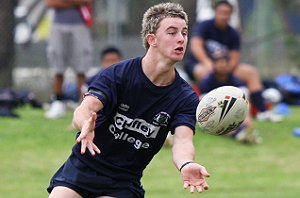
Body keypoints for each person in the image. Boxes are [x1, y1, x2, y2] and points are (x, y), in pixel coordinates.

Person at [47, 3, 210, 198]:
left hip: (123, 182)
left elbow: (183, 140)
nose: (181, 39)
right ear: (152, 39)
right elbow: (86, 108)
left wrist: (186, 163)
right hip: (83, 168)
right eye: (172, 32)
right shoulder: (119, 74)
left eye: (184, 32)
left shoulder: (185, 97)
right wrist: (85, 125)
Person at [185, 0, 282, 122]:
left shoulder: (233, 33)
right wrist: (208, 63)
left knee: (251, 72)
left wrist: (225, 69)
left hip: (224, 67)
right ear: (216, 12)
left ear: (231, 14)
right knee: (205, 71)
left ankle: (263, 111)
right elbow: (195, 46)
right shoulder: (204, 26)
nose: (224, 16)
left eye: (227, 13)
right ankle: (207, 115)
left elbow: (234, 57)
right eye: (221, 12)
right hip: (200, 64)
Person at [199, 41, 262, 144]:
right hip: (211, 113)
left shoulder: (234, 79)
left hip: (230, 110)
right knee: (219, 123)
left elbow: (244, 97)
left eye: (224, 62)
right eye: (219, 62)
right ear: (214, 64)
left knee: (243, 104)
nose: (222, 65)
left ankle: (246, 128)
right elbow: (203, 105)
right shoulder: (207, 81)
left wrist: (246, 117)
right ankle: (239, 134)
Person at [45, 0, 93, 119]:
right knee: (57, 63)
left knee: (81, 66)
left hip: (80, 25)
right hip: (58, 25)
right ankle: (58, 101)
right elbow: (51, 3)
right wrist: (74, 3)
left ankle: (83, 103)